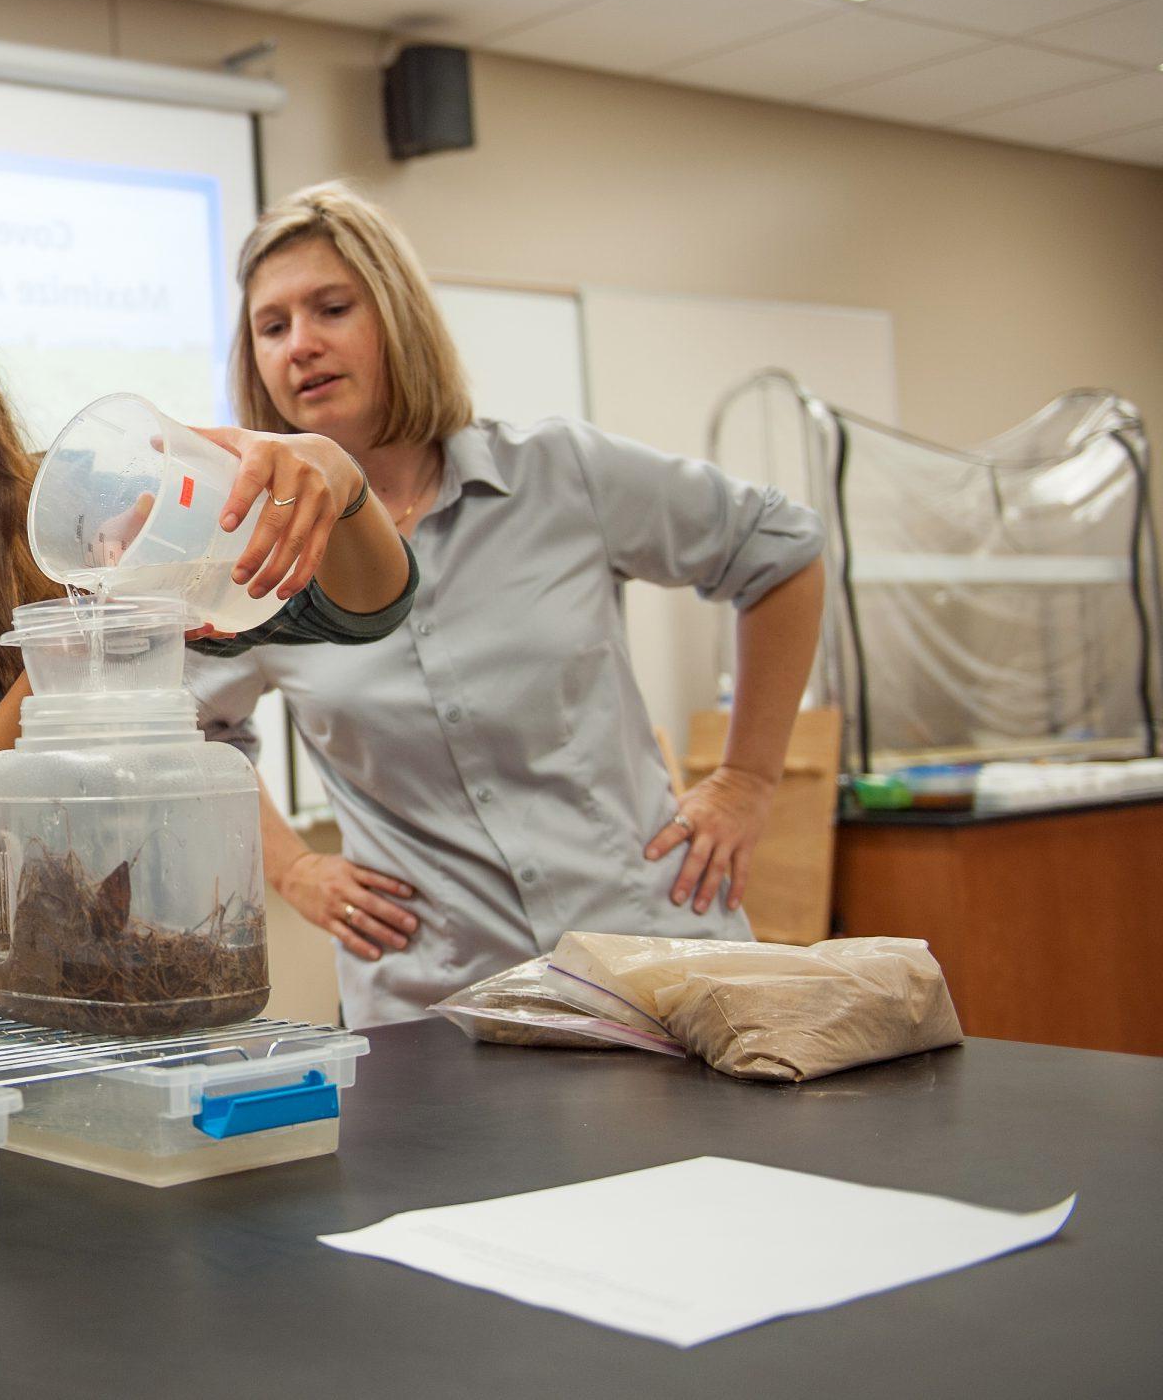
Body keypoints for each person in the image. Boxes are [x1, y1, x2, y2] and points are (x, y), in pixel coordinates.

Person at [191, 183, 827, 1026]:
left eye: (332, 308)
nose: (300, 345)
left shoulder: (562, 474)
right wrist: (295, 868)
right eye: (272, 327)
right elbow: (194, 732)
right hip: (443, 1009)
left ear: (398, 318)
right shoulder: (258, 556)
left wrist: (745, 780)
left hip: (657, 967)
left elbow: (780, 548)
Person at [0, 220, 417, 1011]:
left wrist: (340, 486)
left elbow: (360, 613)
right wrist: (78, 652)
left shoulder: (66, 507)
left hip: (146, 1006)